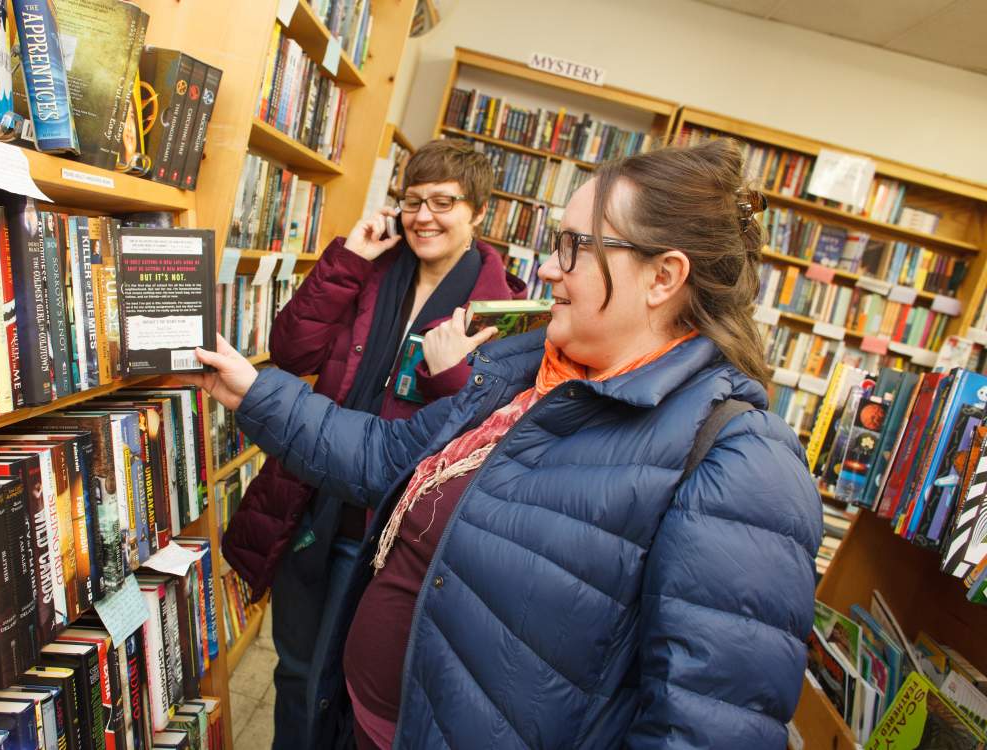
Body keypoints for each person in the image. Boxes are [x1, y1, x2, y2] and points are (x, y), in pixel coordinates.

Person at [192, 138, 821, 748]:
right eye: (556, 244)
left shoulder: (739, 463)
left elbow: (704, 725)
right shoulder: (525, 371)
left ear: (663, 277)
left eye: (574, 247)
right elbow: (387, 457)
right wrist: (255, 392)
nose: (548, 267)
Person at [220, 139, 526, 749]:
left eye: (445, 202)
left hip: (389, 527)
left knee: (342, 689)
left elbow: (481, 431)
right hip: (311, 502)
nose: (424, 217)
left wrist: (450, 374)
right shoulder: (373, 269)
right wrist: (348, 260)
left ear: (478, 213)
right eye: (413, 201)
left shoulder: (504, 306)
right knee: (295, 670)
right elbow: (292, 351)